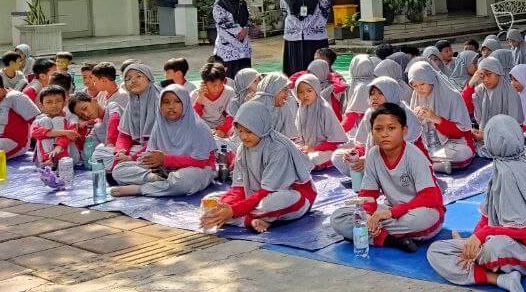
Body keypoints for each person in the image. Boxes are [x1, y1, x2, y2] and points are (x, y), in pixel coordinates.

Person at [427, 116, 526, 292]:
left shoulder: (517, 171)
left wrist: (479, 238)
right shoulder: (500, 167)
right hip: (492, 242)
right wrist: (472, 240)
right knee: (436, 251)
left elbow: (523, 230)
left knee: (494, 248)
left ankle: (482, 266)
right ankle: (499, 279)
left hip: (523, 253)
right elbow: (486, 215)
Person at [329, 104, 445, 252]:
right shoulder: (373, 154)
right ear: (372, 132)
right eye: (378, 129)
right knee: (338, 217)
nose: (384, 134)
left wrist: (390, 213)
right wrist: (369, 215)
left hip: (417, 211)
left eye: (391, 128)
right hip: (390, 211)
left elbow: (431, 198)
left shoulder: (414, 155)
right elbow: (368, 194)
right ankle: (390, 240)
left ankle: (366, 233)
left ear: (404, 130)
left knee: (423, 219)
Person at [201, 102, 317, 233]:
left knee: (271, 204)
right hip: (255, 195)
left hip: (293, 196)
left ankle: (244, 219)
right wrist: (224, 207)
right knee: (210, 202)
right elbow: (239, 189)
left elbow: (265, 192)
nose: (243, 136)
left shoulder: (278, 149)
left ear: (261, 127)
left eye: (249, 131)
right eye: (240, 131)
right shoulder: (242, 149)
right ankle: (255, 219)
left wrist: (233, 211)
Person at [111, 85, 218, 197]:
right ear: (160, 105)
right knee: (119, 170)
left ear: (185, 103)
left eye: (177, 101)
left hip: (195, 170)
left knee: (184, 181)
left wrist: (165, 159)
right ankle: (156, 179)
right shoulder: (160, 125)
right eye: (166, 102)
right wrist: (145, 159)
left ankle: (140, 189)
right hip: (163, 170)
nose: (171, 106)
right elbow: (151, 152)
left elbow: (201, 162)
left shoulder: (198, 127)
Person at [408, 60, 475, 173]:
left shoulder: (452, 96)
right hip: (430, 145)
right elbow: (413, 134)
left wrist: (435, 118)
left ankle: (427, 164)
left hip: (455, 143)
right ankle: (434, 164)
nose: (419, 89)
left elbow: (460, 132)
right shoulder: (416, 97)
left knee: (461, 155)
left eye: (422, 84)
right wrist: (415, 119)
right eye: (415, 86)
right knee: (408, 152)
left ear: (431, 80)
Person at [280, 0, 332, 76]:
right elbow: (284, 10)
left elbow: (325, 10)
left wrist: (309, 24)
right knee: (296, 70)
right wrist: (297, 24)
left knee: (315, 69)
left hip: (314, 37)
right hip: (294, 37)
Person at [291, 72, 348, 169]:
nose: (305, 95)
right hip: (307, 149)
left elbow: (335, 142)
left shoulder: (324, 109)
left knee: (312, 159)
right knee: (290, 154)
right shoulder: (301, 110)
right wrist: (299, 147)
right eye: (300, 92)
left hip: (325, 150)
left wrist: (313, 148)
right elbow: (298, 136)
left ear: (316, 90)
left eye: (309, 91)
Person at [110, 64, 163, 163]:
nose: (133, 81)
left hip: (162, 150)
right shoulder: (132, 104)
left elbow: (160, 140)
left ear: (149, 78)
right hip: (140, 149)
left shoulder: (162, 101)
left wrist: (132, 158)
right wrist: (120, 151)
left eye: (138, 76)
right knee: (102, 152)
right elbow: (124, 134)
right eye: (128, 79)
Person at [463, 55, 525, 136]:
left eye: (489, 74)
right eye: (482, 75)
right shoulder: (480, 91)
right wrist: (471, 82)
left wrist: (487, 136)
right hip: (484, 136)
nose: (485, 80)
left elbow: (514, 126)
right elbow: (464, 108)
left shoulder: (510, 93)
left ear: (498, 73)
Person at [31, 85, 81, 165]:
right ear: (41, 105)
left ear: (64, 102)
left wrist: (59, 147)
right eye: (49, 102)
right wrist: (65, 132)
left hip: (68, 158)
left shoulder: (71, 117)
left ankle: (60, 159)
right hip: (46, 159)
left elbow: (72, 134)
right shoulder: (39, 118)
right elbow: (34, 133)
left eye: (58, 101)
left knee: (58, 120)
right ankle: (48, 159)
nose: (54, 105)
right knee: (44, 120)